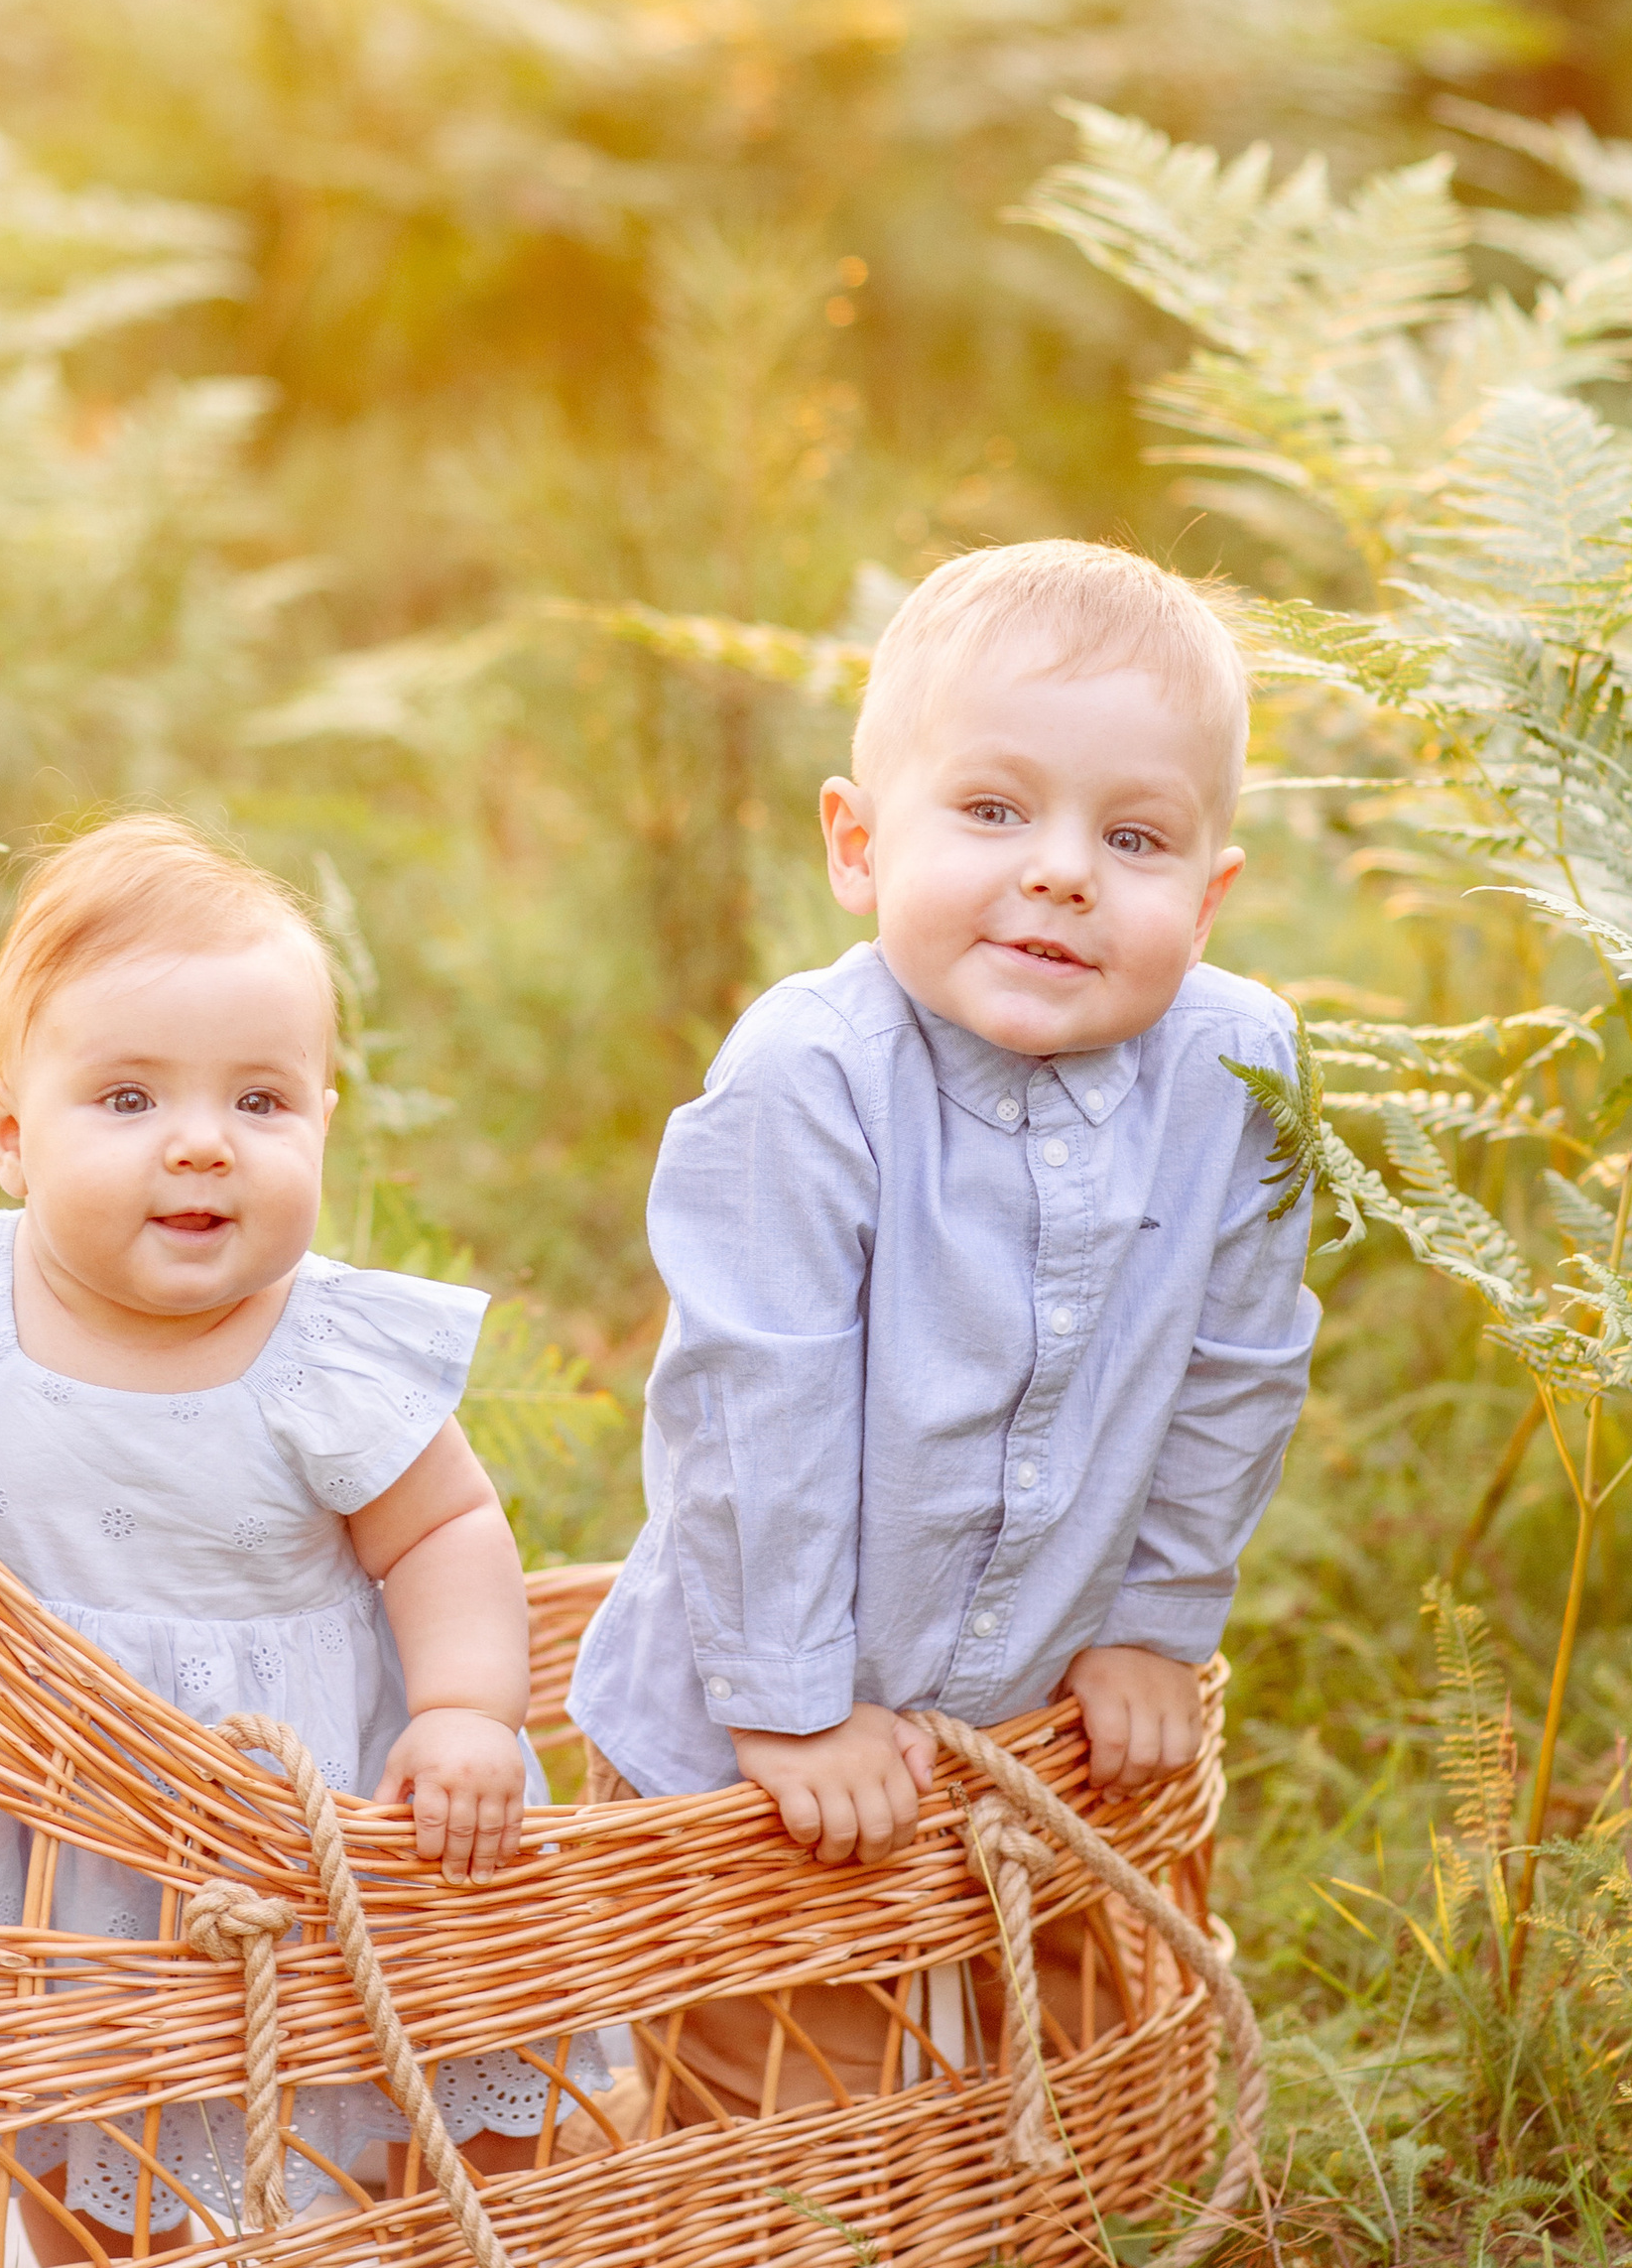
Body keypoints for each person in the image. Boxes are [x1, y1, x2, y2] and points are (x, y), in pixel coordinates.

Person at [0, 815, 600, 2259]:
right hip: (49, 1823)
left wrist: (466, 1712)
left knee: (408, 2080)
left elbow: (442, 1529)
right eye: (127, 1100)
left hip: (302, 1824)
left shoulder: (325, 1351)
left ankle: (447, 2235)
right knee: (73, 2116)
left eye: (259, 1101)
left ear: (323, 1122)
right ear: (9, 1135)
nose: (200, 1144)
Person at [565, 538, 1319, 2120]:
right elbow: (747, 1408)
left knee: (1098, 2096)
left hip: (1039, 1726)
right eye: (993, 811)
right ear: (857, 841)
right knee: (819, 2150)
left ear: (1211, 889)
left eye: (1133, 836)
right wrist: (792, 1702)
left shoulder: (1235, 1066)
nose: (1060, 870)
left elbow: (1238, 1367)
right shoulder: (812, 1077)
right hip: (765, 1750)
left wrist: (1158, 1625)